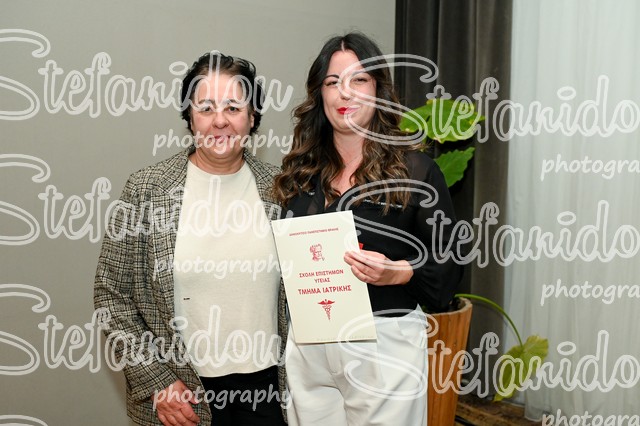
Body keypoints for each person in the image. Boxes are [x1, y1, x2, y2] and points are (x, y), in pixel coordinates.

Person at [273, 32, 463, 425]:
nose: (345, 92)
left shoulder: (416, 172)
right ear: (320, 95)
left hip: (384, 343)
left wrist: (400, 272)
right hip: (310, 343)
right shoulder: (300, 175)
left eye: (358, 79)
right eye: (332, 82)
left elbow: (450, 265)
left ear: (378, 89)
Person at [95, 51, 287, 426]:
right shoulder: (146, 190)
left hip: (269, 394)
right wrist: (158, 382)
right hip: (182, 396)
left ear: (252, 117)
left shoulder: (282, 189)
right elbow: (111, 296)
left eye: (233, 107)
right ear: (189, 116)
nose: (220, 120)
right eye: (206, 108)